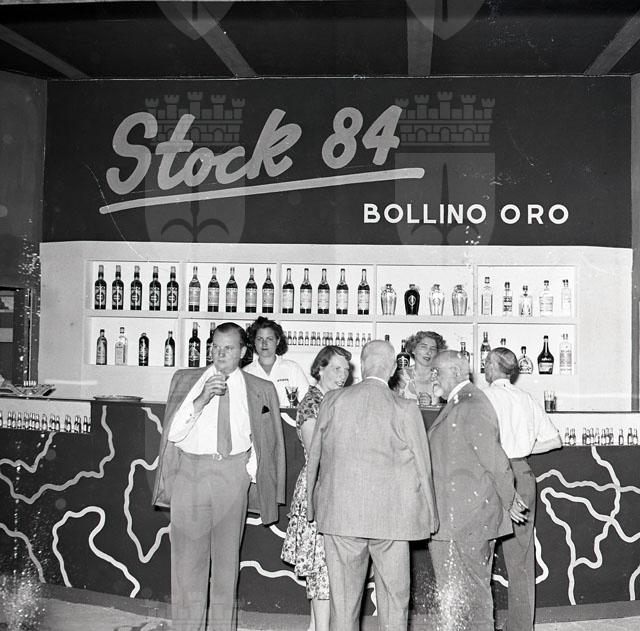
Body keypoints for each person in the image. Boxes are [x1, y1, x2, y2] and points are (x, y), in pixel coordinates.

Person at [152, 321, 286, 631]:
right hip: (191, 474)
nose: (220, 353)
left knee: (226, 568)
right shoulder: (187, 380)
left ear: (243, 351)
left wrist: (246, 473)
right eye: (215, 347)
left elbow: (266, 439)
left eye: (228, 348)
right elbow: (173, 434)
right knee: (187, 567)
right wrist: (201, 400)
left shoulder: (260, 388)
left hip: (232, 475)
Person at [307, 339, 438, 631]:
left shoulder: (332, 401)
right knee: (394, 602)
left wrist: (311, 506)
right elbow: (423, 467)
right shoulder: (406, 407)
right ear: (392, 370)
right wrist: (431, 515)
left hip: (341, 517)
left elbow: (315, 456)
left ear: (362, 365)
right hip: (393, 520)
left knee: (343, 606)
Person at [427, 350, 525, 631]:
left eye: (437, 372)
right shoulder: (460, 402)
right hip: (454, 520)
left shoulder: (472, 403)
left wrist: (510, 500)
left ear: (457, 372)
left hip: (469, 520)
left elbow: (496, 461)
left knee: (475, 598)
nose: (433, 378)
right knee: (455, 596)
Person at [484, 347, 562, 631]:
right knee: (521, 557)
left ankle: (481, 624)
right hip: (523, 473)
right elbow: (554, 440)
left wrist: (504, 453)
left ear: (493, 367)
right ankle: (521, 626)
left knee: (482, 553)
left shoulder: (483, 397)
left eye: (486, 362)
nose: (485, 367)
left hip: (492, 475)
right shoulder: (526, 398)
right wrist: (523, 449)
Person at [281, 345, 352, 631]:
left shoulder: (334, 400)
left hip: (331, 486)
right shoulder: (312, 402)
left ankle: (315, 627)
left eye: (346, 369)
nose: (343, 375)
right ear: (319, 369)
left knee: (322, 567)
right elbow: (317, 452)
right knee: (322, 568)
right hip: (320, 488)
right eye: (336, 368)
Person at [244, 316, 310, 408]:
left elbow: (307, 402)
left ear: (278, 341)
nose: (264, 343)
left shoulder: (293, 369)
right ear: (254, 341)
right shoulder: (246, 372)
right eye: (259, 339)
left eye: (269, 339)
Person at [392, 331, 446, 406]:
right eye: (424, 347)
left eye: (433, 348)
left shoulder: (442, 379)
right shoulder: (399, 377)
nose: (428, 352)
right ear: (413, 350)